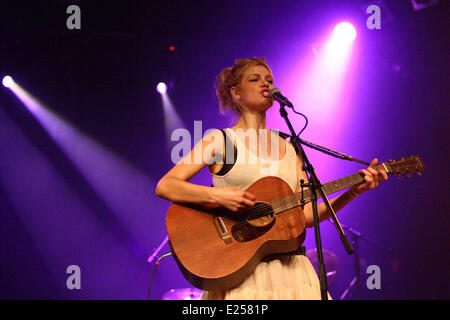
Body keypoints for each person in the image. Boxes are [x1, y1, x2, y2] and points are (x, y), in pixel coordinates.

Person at [155, 57, 388, 299]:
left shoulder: (291, 145)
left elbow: (306, 216)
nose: (265, 84)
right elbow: (166, 185)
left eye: (269, 80)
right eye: (254, 80)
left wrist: (352, 192)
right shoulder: (219, 140)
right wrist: (219, 196)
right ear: (236, 93)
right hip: (242, 275)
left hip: (294, 272)